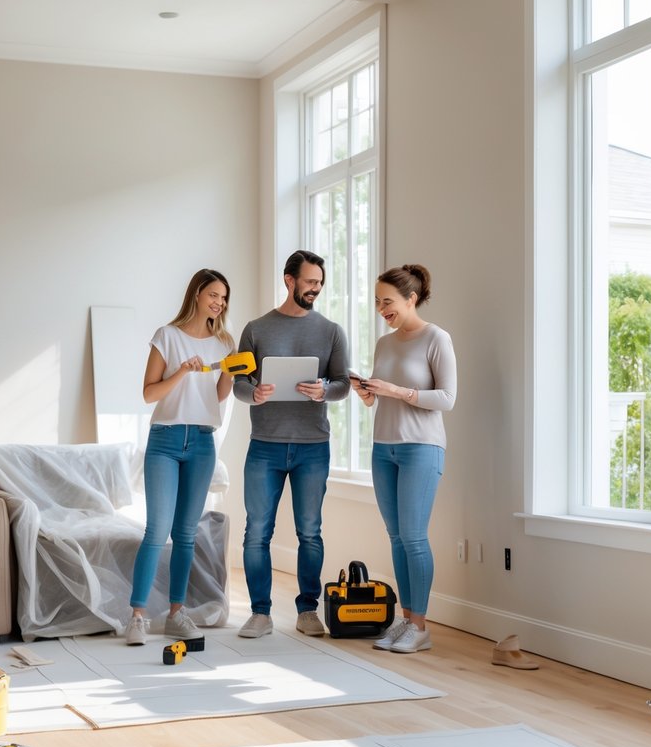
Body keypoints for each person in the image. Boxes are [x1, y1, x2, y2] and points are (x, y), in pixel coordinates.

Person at [233, 249, 350, 638]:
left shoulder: (331, 331)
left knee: (310, 531)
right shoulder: (256, 329)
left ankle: (308, 610)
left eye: (320, 283)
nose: (315, 288)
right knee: (256, 532)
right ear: (289, 280)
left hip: (312, 446)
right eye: (310, 282)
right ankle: (260, 613)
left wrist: (323, 391)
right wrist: (255, 394)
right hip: (264, 445)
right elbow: (238, 384)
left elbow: (343, 385)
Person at [349, 264, 456, 654]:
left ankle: (421, 626)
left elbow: (447, 398)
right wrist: (369, 393)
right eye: (377, 302)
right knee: (396, 537)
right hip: (384, 447)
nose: (381, 308)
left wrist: (398, 390)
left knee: (413, 536)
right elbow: (384, 396)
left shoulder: (436, 338)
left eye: (388, 301)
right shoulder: (384, 343)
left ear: (411, 299)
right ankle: (406, 618)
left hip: (422, 447)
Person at [125, 268, 235, 646]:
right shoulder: (167, 337)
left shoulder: (224, 343)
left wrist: (233, 370)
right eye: (214, 295)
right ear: (197, 294)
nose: (219, 302)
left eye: (224, 298)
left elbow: (217, 397)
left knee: (186, 534)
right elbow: (149, 394)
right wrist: (182, 373)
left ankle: (177, 613)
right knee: (156, 530)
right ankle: (137, 616)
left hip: (203, 441)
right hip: (166, 439)